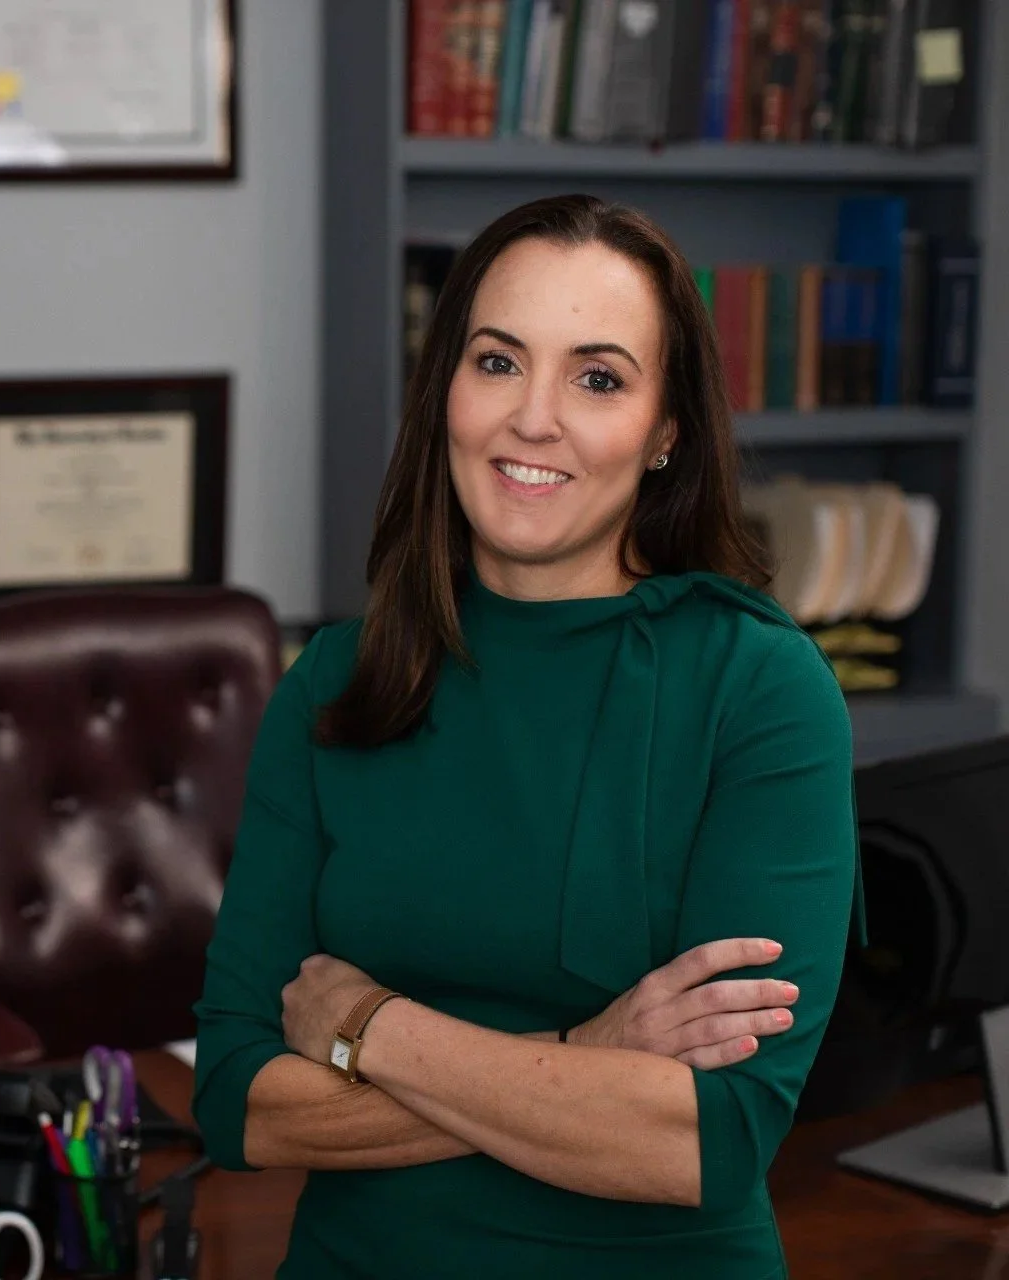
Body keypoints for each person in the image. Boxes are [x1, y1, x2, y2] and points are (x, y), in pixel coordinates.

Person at [192, 193, 866, 1278]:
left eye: (596, 377)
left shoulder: (757, 686)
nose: (532, 418)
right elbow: (237, 1102)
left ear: (663, 435)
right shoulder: (335, 681)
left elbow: (706, 1134)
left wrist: (368, 1026)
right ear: (444, 389)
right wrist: (586, 1055)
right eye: (497, 361)